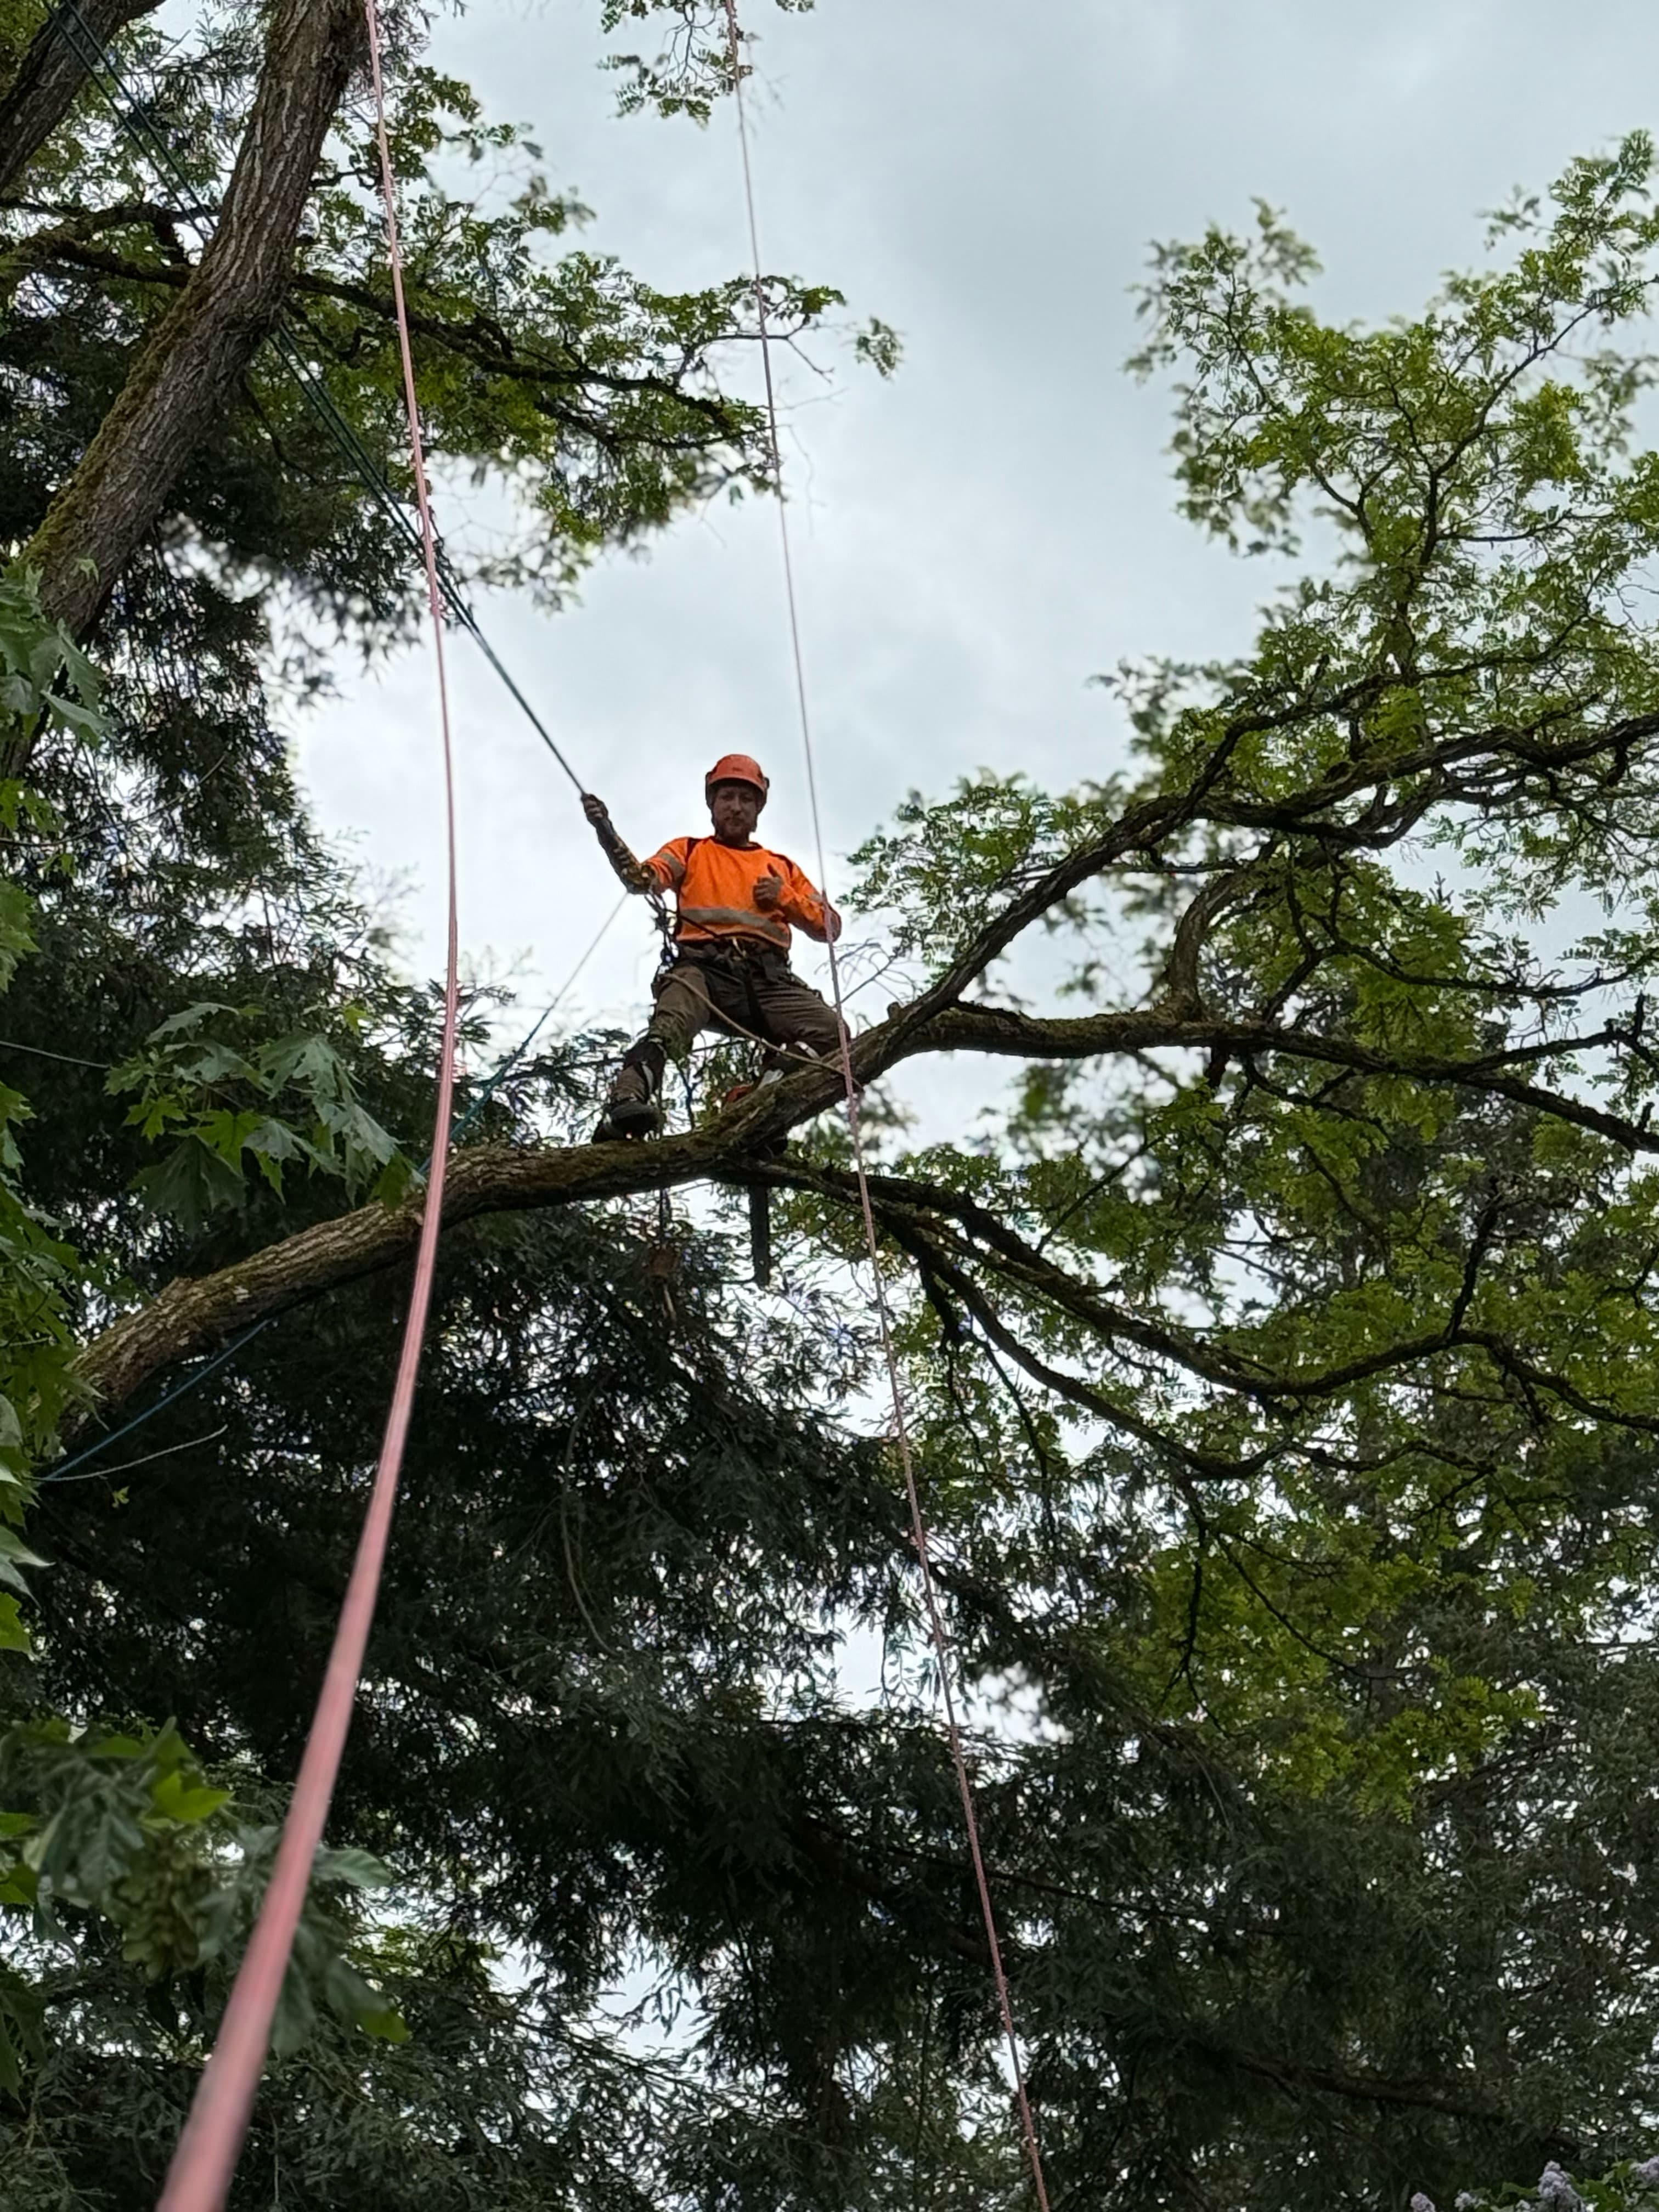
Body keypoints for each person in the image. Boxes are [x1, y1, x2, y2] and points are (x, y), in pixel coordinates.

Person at [583, 753, 846, 1138]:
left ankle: (757, 1101)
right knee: (670, 1024)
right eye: (727, 798)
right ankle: (625, 1102)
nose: (736, 807)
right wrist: (606, 832)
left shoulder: (781, 867)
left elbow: (830, 927)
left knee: (832, 1033)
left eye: (746, 799)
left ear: (758, 810)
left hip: (768, 981)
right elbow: (641, 879)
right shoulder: (689, 851)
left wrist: (785, 898)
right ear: (712, 804)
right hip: (704, 971)